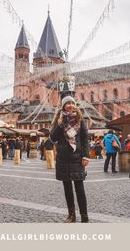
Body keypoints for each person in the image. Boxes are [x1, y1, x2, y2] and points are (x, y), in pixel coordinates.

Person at [51, 95, 90, 223]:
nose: (70, 105)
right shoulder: (58, 118)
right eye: (67, 103)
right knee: (67, 189)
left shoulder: (80, 119)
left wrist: (86, 156)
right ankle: (71, 215)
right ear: (63, 106)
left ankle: (84, 217)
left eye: (72, 103)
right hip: (63, 159)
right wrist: (60, 125)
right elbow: (53, 137)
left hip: (77, 158)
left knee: (80, 188)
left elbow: (85, 139)